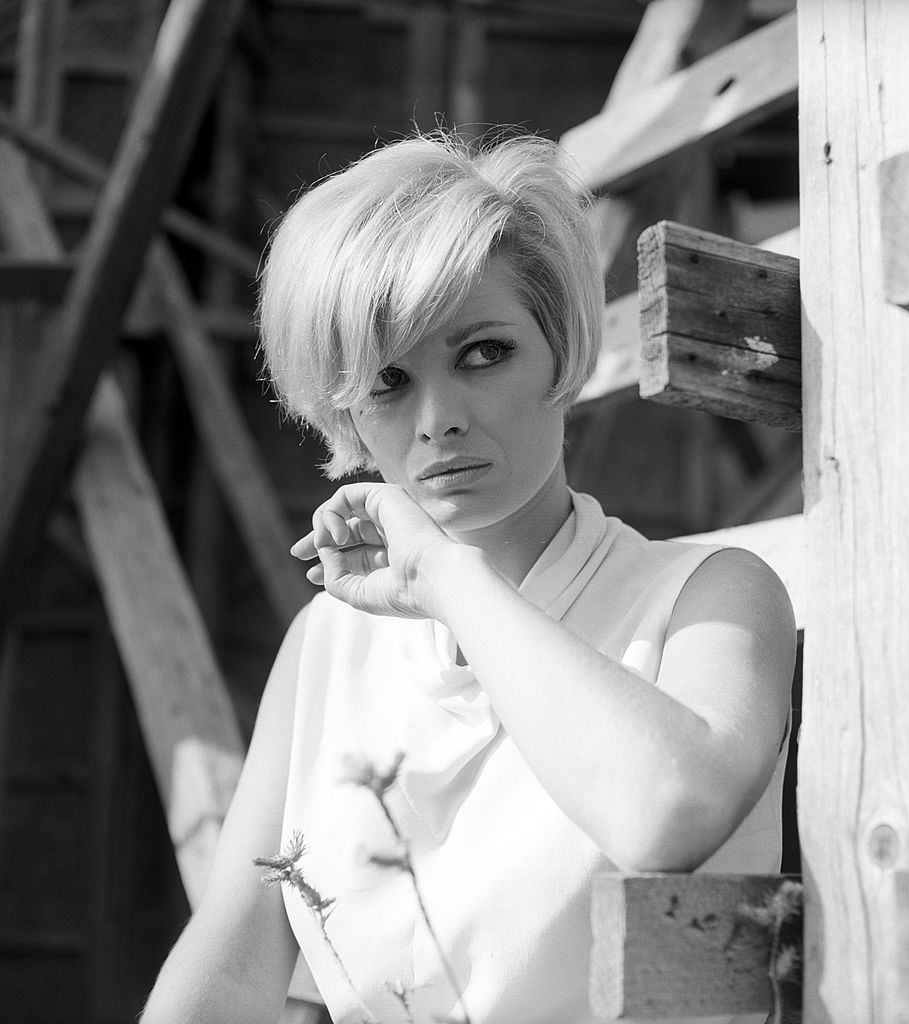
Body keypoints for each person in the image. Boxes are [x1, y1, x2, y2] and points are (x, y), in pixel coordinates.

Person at [141, 131, 796, 1024]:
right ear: (348, 415)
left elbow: (664, 815)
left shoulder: (711, 596)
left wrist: (445, 576)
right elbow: (228, 974)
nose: (438, 418)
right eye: (388, 382)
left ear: (559, 349)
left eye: (483, 353)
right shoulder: (327, 645)